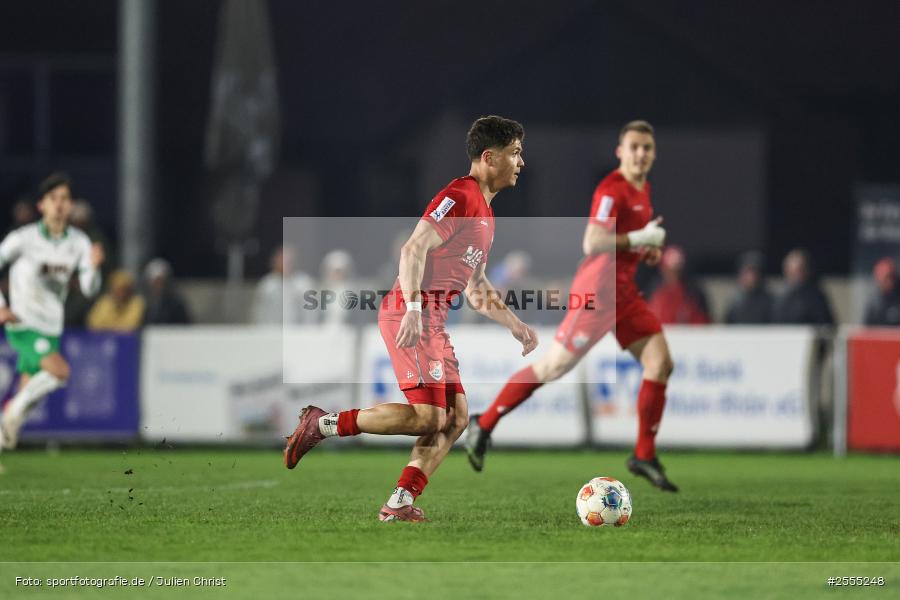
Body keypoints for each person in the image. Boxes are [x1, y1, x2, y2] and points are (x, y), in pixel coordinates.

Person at [283, 116, 537, 521]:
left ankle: (400, 502)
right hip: (411, 313)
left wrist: (515, 324)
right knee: (429, 417)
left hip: (432, 320)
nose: (521, 162)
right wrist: (415, 309)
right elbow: (413, 249)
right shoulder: (460, 196)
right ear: (490, 157)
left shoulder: (486, 215)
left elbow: (475, 287)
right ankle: (323, 424)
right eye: (515, 153)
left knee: (455, 418)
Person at [465, 120, 679, 492]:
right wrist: (639, 238)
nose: (641, 154)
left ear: (653, 153)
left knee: (660, 362)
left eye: (647, 147)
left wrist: (645, 249)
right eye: (634, 147)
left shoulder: (643, 190)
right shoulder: (612, 188)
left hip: (624, 294)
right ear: (620, 152)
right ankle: (482, 425)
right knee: (553, 366)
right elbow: (593, 241)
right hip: (597, 293)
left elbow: (623, 244)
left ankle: (643, 455)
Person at [0, 173, 104, 452]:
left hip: (50, 327)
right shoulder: (23, 238)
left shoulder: (79, 243)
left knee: (28, 394)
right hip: (23, 322)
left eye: (64, 199)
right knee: (60, 373)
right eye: (53, 199)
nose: (59, 204)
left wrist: (94, 268)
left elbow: (89, 288)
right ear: (41, 205)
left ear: (71, 205)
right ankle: (9, 413)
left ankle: (3, 432)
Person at [250, 245, 315, 325]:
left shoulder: (303, 283)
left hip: (298, 330)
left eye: (288, 260)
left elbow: (310, 312)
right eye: (282, 260)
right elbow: (259, 311)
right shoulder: (267, 284)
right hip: (271, 329)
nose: (285, 263)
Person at [647, 245, 710, 324]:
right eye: (669, 270)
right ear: (662, 269)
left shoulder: (693, 294)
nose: (672, 274)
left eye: (676, 270)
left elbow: (702, 323)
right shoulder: (654, 292)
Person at [772, 249, 834, 325]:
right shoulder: (779, 296)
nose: (794, 276)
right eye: (790, 272)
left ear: (806, 270)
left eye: (798, 270)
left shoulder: (815, 296)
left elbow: (826, 323)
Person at [725, 251, 773, 324]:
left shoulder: (770, 301)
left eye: (753, 273)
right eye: (746, 273)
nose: (749, 278)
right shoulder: (735, 302)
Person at [142, 258, 191, 325]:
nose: (158, 285)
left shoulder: (176, 304)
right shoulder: (143, 302)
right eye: (155, 281)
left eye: (160, 281)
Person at [864, 257, 900, 326]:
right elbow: (867, 328)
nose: (883, 282)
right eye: (880, 278)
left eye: (888, 277)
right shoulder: (874, 302)